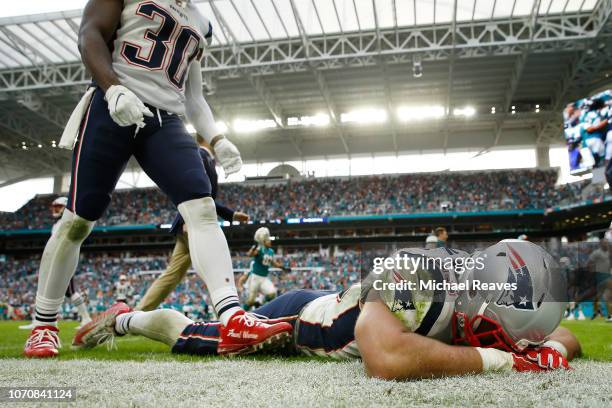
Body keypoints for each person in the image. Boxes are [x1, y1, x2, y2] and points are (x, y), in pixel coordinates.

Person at [24, 0, 292, 358]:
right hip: (112, 104)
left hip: (165, 119)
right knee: (77, 221)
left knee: (202, 208)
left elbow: (194, 96)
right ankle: (44, 324)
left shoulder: (201, 21)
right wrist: (113, 86)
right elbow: (90, 35)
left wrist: (217, 138)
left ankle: (232, 317)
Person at [74, 241, 579, 379]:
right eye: (494, 334)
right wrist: (505, 360)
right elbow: (387, 359)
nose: (507, 345)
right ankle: (124, 317)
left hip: (344, 308)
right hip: (298, 321)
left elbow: (563, 342)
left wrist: (550, 348)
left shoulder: (498, 294)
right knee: (206, 338)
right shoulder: (419, 272)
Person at [135, 135, 249, 312]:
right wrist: (190, 219)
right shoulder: (200, 156)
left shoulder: (204, 158)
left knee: (173, 274)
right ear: (207, 140)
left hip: (192, 222)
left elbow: (205, 198)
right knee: (216, 267)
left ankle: (137, 314)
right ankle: (231, 314)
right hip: (194, 222)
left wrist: (232, 215)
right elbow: (193, 192)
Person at [20, 197, 92, 330]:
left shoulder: (66, 221)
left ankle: (86, 318)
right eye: (54, 207)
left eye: (58, 206)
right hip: (58, 260)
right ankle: (39, 320)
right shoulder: (57, 224)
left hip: (63, 260)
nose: (55, 209)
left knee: (70, 292)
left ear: (65, 207)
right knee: (62, 291)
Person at [238, 227, 290, 308]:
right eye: (268, 240)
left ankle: (260, 302)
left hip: (264, 278)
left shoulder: (271, 251)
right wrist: (253, 249)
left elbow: (273, 263)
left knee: (272, 294)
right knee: (250, 301)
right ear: (263, 241)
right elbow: (250, 254)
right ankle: (242, 312)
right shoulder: (259, 249)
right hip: (255, 277)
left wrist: (283, 267)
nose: (270, 242)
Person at [587, 239, 611, 319]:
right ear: (601, 244)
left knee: (608, 296)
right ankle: (596, 312)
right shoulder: (596, 253)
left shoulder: (608, 253)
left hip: (607, 277)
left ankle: (609, 315)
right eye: (605, 243)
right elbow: (589, 262)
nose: (607, 244)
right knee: (597, 297)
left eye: (607, 243)